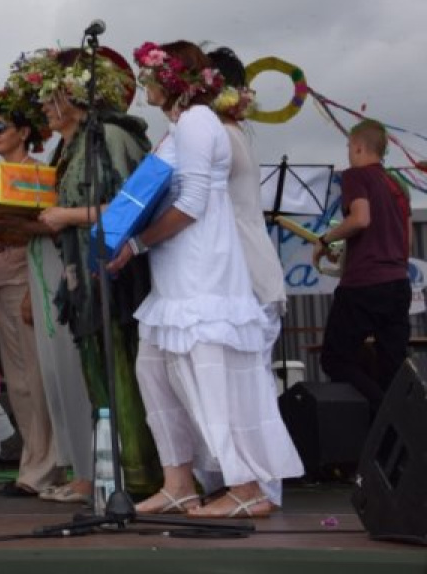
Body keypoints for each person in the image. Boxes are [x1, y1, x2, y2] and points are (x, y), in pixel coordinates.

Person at [111, 40, 301, 519]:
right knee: (155, 372)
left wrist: (136, 244)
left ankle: (247, 486)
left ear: (171, 78)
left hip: (203, 271)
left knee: (212, 379)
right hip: (175, 274)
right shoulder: (181, 125)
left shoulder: (198, 120)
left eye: (149, 75)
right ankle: (179, 483)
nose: (144, 85)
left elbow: (193, 203)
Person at [29, 47, 162, 497]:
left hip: (118, 277)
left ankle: (143, 478)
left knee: (125, 373)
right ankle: (110, 477)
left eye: (51, 95)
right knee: (98, 377)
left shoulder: (113, 136)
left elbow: (133, 205)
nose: (44, 106)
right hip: (83, 280)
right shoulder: (66, 149)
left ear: (74, 93)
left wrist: (67, 217)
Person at [0, 83, 91, 502]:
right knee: (20, 385)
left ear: (24, 132)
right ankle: (33, 461)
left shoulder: (39, 173)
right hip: (2, 286)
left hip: (31, 283)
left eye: (1, 126)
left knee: (41, 380)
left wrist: (32, 289)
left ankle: (47, 467)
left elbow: (47, 232)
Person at [204, 46, 289, 507]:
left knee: (247, 391)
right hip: (248, 274)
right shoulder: (230, 133)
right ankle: (246, 484)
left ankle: (257, 488)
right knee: (243, 388)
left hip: (248, 278)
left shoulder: (220, 136)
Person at [314, 119, 412, 412]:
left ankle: (380, 412)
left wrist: (325, 239)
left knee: (334, 359)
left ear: (358, 147)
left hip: (364, 284)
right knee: (393, 367)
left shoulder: (356, 176)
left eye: (348, 147)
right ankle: (400, 429)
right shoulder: (397, 184)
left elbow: (360, 219)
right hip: (398, 282)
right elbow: (405, 242)